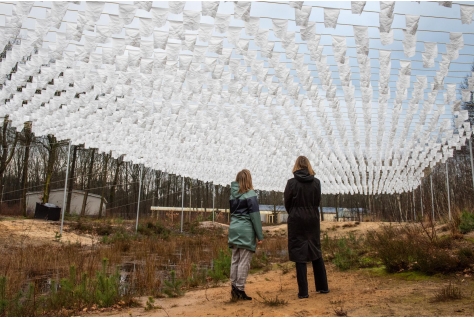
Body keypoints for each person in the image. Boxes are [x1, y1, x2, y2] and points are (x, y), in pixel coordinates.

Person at [284, 156, 329, 299]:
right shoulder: (316, 182)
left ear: (296, 165)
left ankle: (303, 292)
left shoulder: (291, 183)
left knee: (299, 253)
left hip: (296, 219)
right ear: (308, 166)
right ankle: (323, 287)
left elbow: (287, 202)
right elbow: (317, 201)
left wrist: (294, 212)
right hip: (312, 219)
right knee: (315, 249)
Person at [228, 169, 264, 301]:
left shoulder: (232, 195)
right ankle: (240, 289)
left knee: (235, 259)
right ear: (248, 179)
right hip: (246, 231)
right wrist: (260, 236)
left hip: (234, 229)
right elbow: (254, 216)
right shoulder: (250, 194)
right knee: (244, 261)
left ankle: (233, 287)